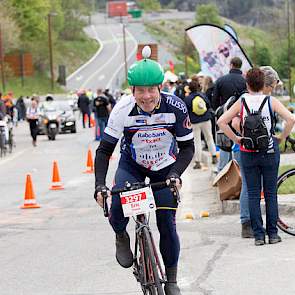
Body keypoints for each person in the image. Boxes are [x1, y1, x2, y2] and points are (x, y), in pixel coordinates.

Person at [94, 47, 194, 295]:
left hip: (165, 167)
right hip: (133, 165)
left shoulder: (176, 106)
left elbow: (188, 147)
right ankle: (121, 235)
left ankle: (170, 280)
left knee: (167, 224)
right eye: (141, 91)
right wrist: (100, 186)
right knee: (117, 205)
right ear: (133, 90)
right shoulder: (122, 109)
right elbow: (104, 151)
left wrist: (176, 174)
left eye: (152, 90)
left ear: (160, 87)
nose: (147, 96)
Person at [217, 68, 295, 246]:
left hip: (248, 151)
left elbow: (221, 121)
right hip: (269, 150)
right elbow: (291, 119)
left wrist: (237, 138)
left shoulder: (241, 102)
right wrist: (281, 138)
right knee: (270, 194)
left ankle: (259, 235)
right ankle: (273, 234)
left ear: (247, 84)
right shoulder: (271, 101)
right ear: (264, 84)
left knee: (253, 194)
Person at [212, 57, 247, 172]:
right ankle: (240, 169)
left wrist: (218, 111)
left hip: (224, 115)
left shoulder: (221, 80)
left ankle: (222, 170)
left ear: (231, 65)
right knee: (240, 142)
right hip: (242, 116)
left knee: (224, 144)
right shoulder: (245, 81)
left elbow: (215, 100)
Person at [184, 79, 217, 169]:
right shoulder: (203, 95)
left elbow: (185, 111)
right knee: (209, 138)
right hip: (206, 119)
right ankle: (214, 156)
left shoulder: (188, 98)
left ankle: (198, 162)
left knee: (197, 142)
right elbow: (208, 105)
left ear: (190, 89)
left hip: (194, 122)